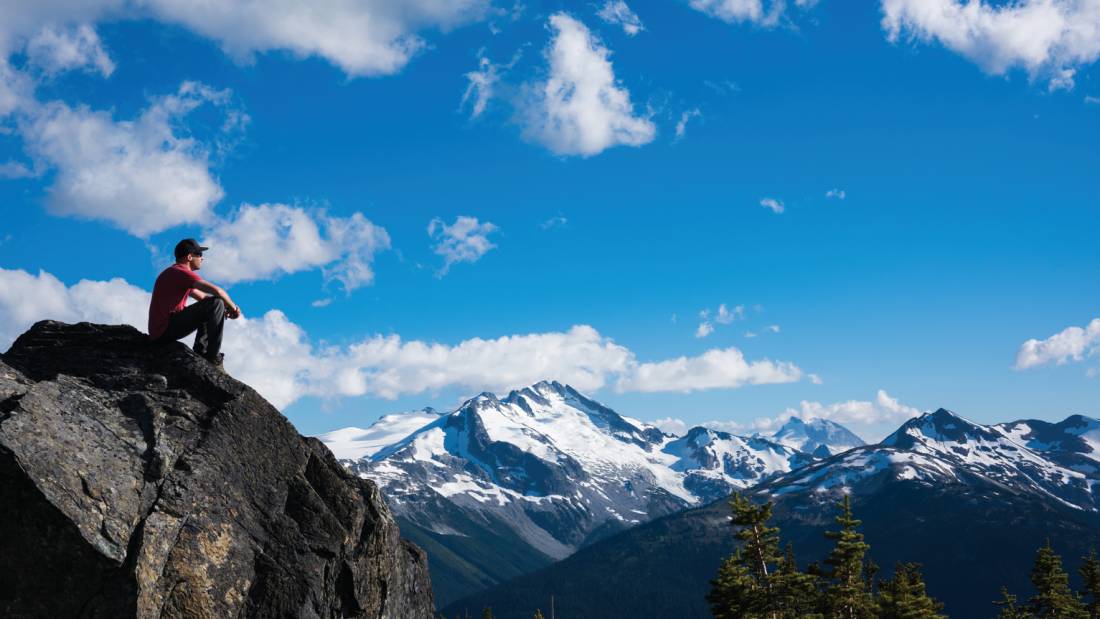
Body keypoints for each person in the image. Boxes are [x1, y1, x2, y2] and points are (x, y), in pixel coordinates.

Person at [148, 238, 242, 367]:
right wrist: (233, 309)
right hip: (164, 329)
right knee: (215, 303)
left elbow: (203, 298)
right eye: (200, 255)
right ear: (189, 257)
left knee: (212, 305)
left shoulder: (174, 273)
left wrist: (223, 309)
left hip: (161, 330)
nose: (202, 259)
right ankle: (212, 356)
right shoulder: (180, 272)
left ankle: (201, 351)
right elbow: (218, 292)